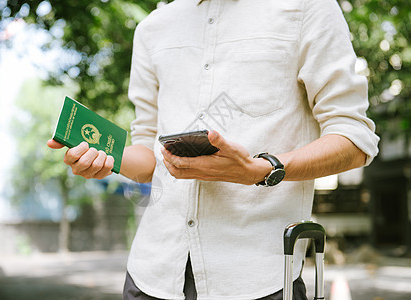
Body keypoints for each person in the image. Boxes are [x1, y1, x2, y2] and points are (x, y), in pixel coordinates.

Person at [48, 0, 379, 299]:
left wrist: (263, 170)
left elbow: (354, 138)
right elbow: (149, 157)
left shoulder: (307, 9)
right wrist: (105, 159)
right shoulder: (154, 27)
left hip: (258, 281)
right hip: (152, 276)